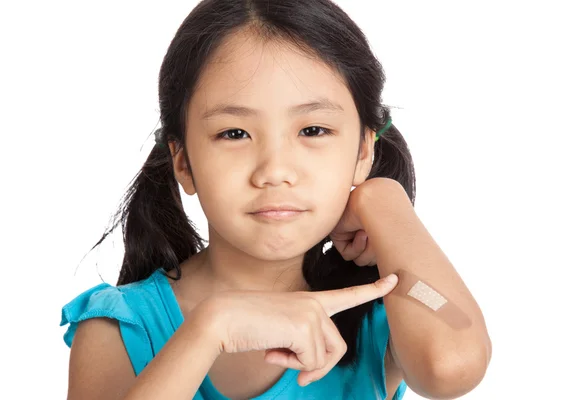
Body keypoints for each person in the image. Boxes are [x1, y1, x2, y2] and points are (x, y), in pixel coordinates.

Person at [60, 1, 492, 399]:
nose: (274, 171)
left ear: (364, 150)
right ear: (183, 162)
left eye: (313, 130)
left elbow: (451, 366)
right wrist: (211, 328)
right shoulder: (119, 326)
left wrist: (383, 198)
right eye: (234, 133)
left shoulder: (383, 315)